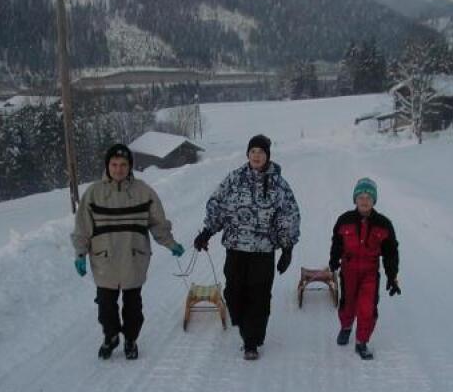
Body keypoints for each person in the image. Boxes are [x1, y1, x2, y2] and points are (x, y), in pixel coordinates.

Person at [72, 144, 185, 360]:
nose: (119, 169)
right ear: (107, 166)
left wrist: (170, 243)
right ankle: (111, 336)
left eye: (123, 165)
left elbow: (158, 223)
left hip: (134, 258)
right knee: (106, 306)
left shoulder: (144, 192)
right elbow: (82, 229)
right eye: (114, 164)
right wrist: (80, 254)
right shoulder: (93, 193)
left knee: (133, 307)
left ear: (130, 166)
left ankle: (131, 339)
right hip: (104, 260)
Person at [194, 134, 300, 360]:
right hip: (235, 247)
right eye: (253, 151)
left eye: (261, 152)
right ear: (247, 154)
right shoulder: (234, 179)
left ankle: (251, 341)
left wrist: (287, 248)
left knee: (259, 297)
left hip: (263, 251)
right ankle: (244, 326)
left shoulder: (279, 184)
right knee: (233, 293)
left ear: (267, 156)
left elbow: (288, 216)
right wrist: (207, 232)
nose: (256, 156)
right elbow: (218, 205)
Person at [329, 177, 400, 360]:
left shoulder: (383, 224)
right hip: (348, 271)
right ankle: (346, 327)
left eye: (369, 197)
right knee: (348, 304)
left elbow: (391, 252)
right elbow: (336, 242)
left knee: (367, 308)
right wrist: (334, 260)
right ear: (355, 199)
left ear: (374, 200)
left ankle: (361, 341)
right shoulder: (344, 220)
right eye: (361, 196)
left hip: (370, 273)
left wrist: (392, 276)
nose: (364, 200)